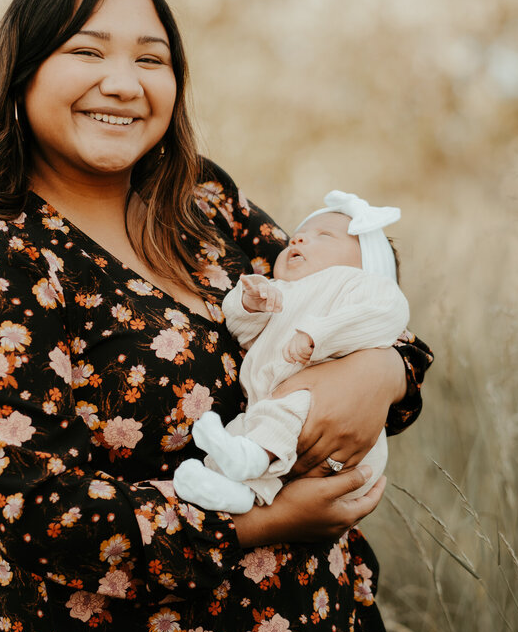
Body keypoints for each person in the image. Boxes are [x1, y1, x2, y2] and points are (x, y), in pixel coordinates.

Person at [0, 0, 434, 632]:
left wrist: (381, 372)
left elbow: (366, 302)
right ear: (22, 73)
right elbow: (40, 514)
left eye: (152, 59)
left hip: (319, 626)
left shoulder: (203, 203)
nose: (123, 83)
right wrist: (264, 523)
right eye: (86, 51)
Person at [173, 191, 409, 515]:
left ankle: (249, 460)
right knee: (248, 426)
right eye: (298, 235)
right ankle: (232, 491)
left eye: (323, 235)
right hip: (271, 405)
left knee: (283, 412)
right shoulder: (281, 291)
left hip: (326, 411)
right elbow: (240, 332)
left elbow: (385, 315)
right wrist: (248, 304)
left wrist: (318, 336)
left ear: (367, 263)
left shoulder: (361, 287)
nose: (297, 238)